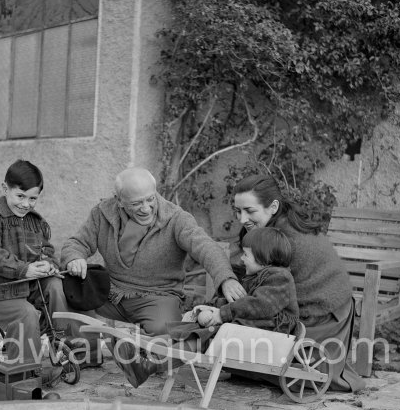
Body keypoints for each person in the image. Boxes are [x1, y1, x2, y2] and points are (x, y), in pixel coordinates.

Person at [60, 167, 245, 337]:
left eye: (150, 199)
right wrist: (74, 258)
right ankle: (87, 354)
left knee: (165, 331)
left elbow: (206, 247)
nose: (146, 208)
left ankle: (139, 357)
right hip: (111, 294)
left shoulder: (176, 218)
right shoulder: (102, 213)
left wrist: (225, 278)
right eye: (137, 203)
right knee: (68, 298)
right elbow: (77, 243)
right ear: (119, 200)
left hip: (158, 296)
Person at [112, 226, 300, 388]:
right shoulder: (257, 277)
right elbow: (237, 302)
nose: (242, 259)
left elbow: (260, 306)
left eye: (246, 254)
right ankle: (143, 347)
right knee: (192, 329)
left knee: (201, 337)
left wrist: (222, 314)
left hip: (268, 336)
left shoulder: (280, 278)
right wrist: (208, 308)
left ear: (263, 257)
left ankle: (148, 365)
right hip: (247, 328)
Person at [229, 174, 365, 392]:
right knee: (240, 353)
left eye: (249, 211)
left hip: (322, 314)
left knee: (256, 359)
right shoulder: (266, 231)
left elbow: (268, 300)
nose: (242, 219)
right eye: (238, 211)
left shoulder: (285, 241)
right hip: (296, 303)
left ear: (273, 206)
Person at [0, 159, 71, 385]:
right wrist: (24, 269)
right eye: (20, 196)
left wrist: (47, 263)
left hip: (26, 286)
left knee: (55, 284)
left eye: (32, 198)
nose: (26, 204)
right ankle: (26, 369)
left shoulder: (34, 222)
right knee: (26, 313)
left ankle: (60, 339)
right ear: (5, 189)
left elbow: (45, 249)